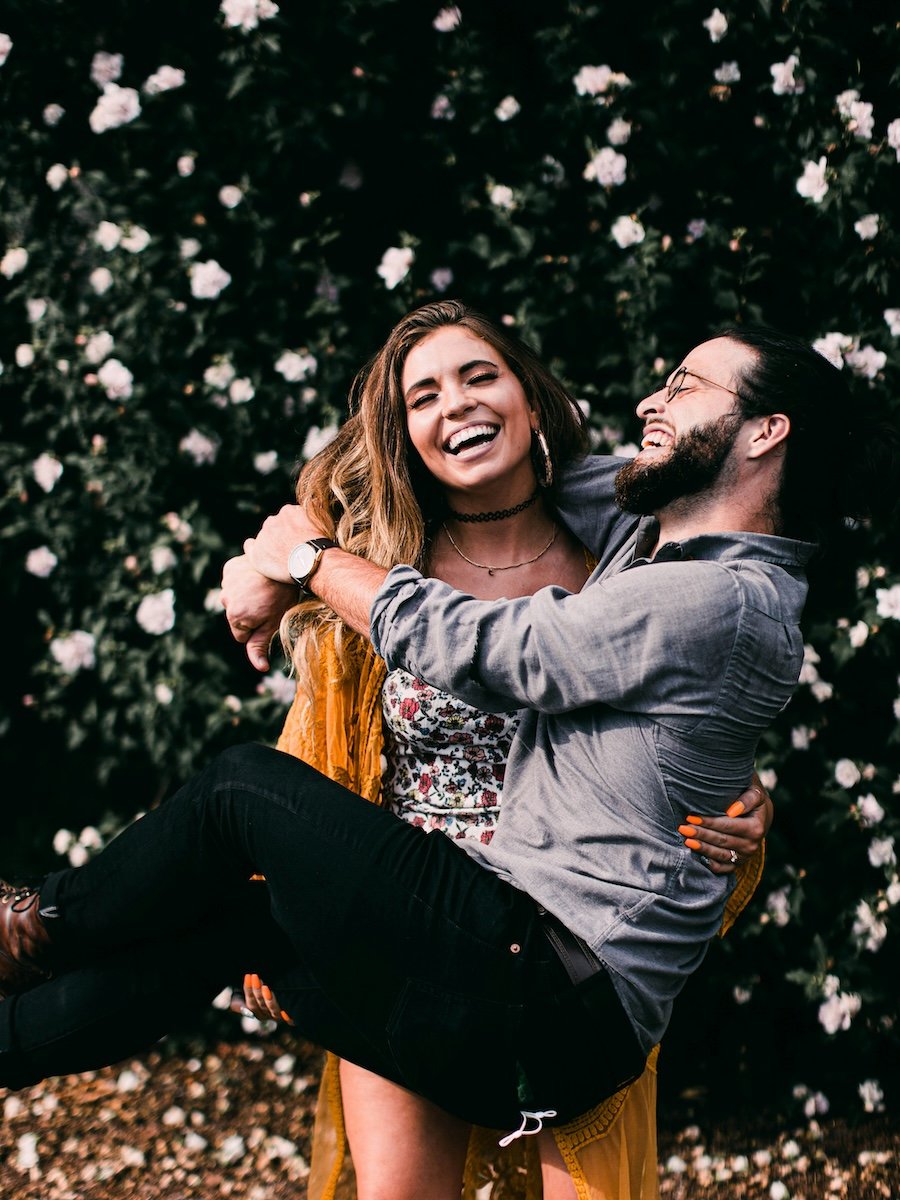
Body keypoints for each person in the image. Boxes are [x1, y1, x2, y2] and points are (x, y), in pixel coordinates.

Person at [0, 316, 875, 1198]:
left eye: (684, 387)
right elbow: (575, 486)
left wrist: (305, 558)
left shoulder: (707, 588)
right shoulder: (649, 531)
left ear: (765, 432)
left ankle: (36, 923)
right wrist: (265, 565)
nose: (652, 400)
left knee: (241, 792)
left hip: (546, 970)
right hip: (468, 939)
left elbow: (499, 649)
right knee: (235, 923)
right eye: (423, 396)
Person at [219, 301, 771, 1200]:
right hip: (403, 931)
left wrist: (739, 799)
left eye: (480, 376)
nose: (458, 405)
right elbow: (319, 752)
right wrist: (271, 907)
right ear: (403, 435)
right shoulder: (375, 568)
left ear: (529, 396)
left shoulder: (624, 560)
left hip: (570, 946)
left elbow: (692, 714)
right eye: (423, 397)